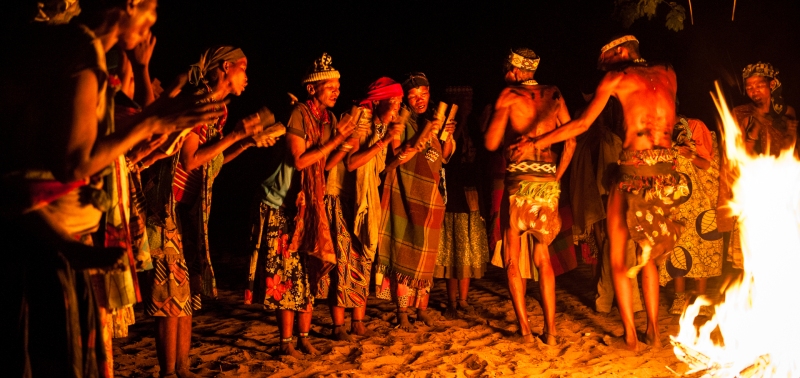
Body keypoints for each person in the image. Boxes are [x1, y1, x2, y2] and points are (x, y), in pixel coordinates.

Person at [0, 0, 223, 375]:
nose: (153, 21)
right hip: (46, 247)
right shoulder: (79, 50)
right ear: (129, 4)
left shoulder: (78, 47)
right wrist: (153, 122)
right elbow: (73, 162)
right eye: (150, 8)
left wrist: (159, 119)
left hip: (61, 241)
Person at [533, 35, 689, 351]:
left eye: (605, 59)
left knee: (618, 254)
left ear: (620, 51)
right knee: (649, 257)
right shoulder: (669, 72)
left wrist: (538, 141)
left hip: (634, 169)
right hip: (667, 172)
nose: (602, 66)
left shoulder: (617, 77)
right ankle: (654, 333)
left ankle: (631, 338)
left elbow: (581, 124)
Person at [144, 45, 265, 377]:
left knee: (185, 293)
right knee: (171, 293)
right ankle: (169, 372)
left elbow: (211, 164)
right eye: (243, 68)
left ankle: (181, 369)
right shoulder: (198, 103)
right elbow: (190, 159)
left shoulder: (219, 111)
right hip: (164, 208)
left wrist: (244, 142)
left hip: (188, 211)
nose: (247, 76)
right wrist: (236, 135)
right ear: (225, 68)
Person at [484, 48, 575, 345]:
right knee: (543, 258)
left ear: (513, 69)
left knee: (513, 257)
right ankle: (551, 331)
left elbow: (491, 142)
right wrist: (556, 178)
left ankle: (524, 330)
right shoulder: (555, 93)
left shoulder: (509, 94)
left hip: (519, 185)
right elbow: (571, 140)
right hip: (547, 183)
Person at [277, 52, 355, 355]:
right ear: (312, 89)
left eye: (338, 86)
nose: (337, 91)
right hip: (289, 202)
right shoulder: (299, 113)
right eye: (330, 86)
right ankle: (285, 341)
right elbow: (299, 161)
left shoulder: (328, 118)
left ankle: (304, 337)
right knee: (286, 274)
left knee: (308, 270)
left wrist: (345, 141)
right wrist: (335, 141)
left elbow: (324, 164)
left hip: (314, 201)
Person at [375, 72, 455, 330]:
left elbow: (443, 157)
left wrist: (448, 135)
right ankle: (402, 313)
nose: (419, 99)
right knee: (405, 252)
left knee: (426, 254)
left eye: (423, 94)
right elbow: (397, 155)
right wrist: (421, 136)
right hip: (405, 192)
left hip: (431, 194)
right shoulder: (402, 119)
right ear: (406, 99)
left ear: (430, 92)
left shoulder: (432, 118)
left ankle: (421, 309)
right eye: (413, 96)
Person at [720, 62, 798, 270]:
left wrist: (790, 133)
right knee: (754, 249)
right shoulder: (741, 113)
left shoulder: (786, 111)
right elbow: (739, 155)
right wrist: (754, 128)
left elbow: (790, 153)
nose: (753, 91)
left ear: (771, 85)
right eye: (749, 87)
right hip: (755, 186)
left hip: (781, 186)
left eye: (758, 85)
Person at [435, 86, 490, 318]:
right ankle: (451, 301)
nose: (469, 104)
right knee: (453, 249)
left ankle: (464, 300)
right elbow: (444, 158)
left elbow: (483, 155)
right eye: (464, 100)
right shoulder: (446, 128)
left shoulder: (474, 126)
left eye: (470, 100)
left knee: (468, 247)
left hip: (472, 192)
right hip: (453, 193)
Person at [660, 117, 722, 316]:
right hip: (678, 204)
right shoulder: (668, 144)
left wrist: (689, 154)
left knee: (702, 251)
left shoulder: (701, 137)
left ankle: (700, 298)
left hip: (702, 205)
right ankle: (679, 297)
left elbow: (709, 166)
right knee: (678, 249)